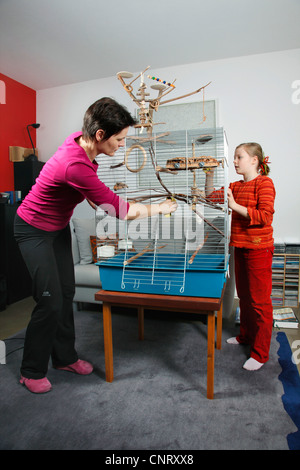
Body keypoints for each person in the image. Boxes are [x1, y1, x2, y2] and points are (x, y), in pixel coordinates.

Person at [14, 97, 177, 393]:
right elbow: (122, 212)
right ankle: (30, 370)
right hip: (32, 229)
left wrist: (106, 199)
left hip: (57, 227)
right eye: (120, 139)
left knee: (65, 292)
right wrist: (160, 208)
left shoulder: (82, 145)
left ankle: (64, 358)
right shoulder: (74, 163)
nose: (123, 145)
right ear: (100, 135)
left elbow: (91, 195)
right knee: (49, 300)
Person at [205, 142, 275, 371]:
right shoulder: (235, 185)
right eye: (234, 157)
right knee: (244, 296)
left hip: (259, 249)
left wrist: (234, 205)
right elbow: (210, 197)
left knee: (260, 302)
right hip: (240, 247)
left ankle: (261, 353)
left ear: (254, 160)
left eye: (239, 157)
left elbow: (265, 216)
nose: (234, 161)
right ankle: (245, 336)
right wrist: (210, 172)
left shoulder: (264, 183)